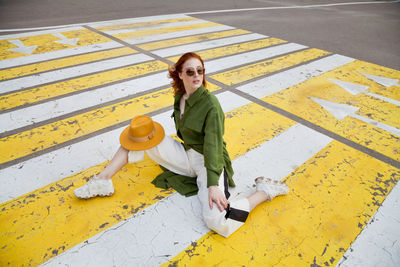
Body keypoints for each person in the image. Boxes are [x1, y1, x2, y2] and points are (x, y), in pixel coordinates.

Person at [74, 52, 289, 237]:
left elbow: (213, 146)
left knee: (218, 222)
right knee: (139, 133)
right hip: (187, 155)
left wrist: (213, 184)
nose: (196, 76)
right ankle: (103, 181)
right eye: (190, 72)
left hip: (208, 162)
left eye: (200, 71)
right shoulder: (180, 97)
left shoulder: (211, 105)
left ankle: (264, 191)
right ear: (180, 74)